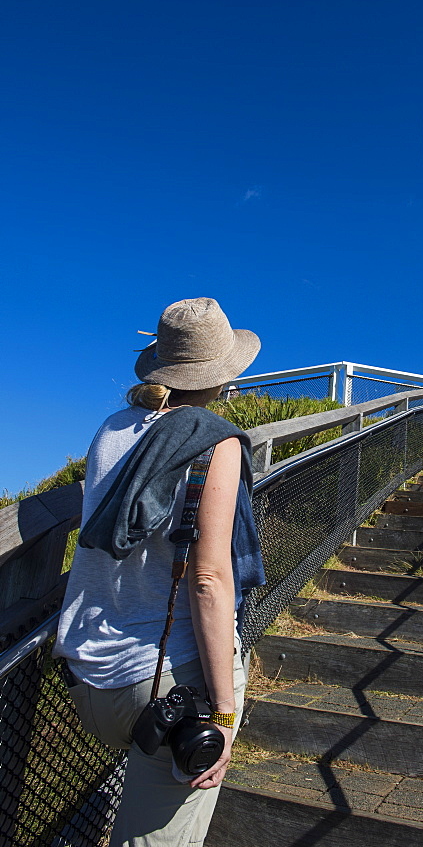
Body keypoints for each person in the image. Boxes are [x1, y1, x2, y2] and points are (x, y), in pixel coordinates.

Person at [54, 297, 264, 847]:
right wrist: (222, 709)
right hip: (170, 683)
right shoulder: (215, 441)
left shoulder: (111, 429)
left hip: (91, 674)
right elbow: (209, 579)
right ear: (221, 374)